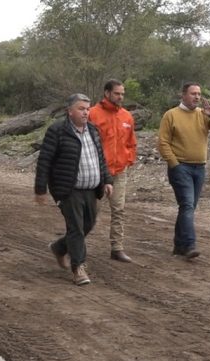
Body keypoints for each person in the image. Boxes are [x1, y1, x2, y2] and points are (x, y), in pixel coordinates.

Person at [35, 93, 114, 286]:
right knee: (76, 228)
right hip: (68, 189)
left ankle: (59, 247)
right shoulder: (57, 131)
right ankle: (78, 268)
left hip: (91, 189)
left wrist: (107, 180)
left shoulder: (93, 131)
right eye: (81, 108)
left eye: (87, 109)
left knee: (88, 224)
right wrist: (40, 189)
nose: (86, 112)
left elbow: (100, 159)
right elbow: (44, 161)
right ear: (69, 111)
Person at [158, 82, 210, 259]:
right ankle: (189, 244)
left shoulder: (202, 114)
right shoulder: (171, 115)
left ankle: (179, 246)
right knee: (187, 205)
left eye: (199, 94)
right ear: (183, 95)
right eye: (193, 93)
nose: (197, 97)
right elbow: (163, 142)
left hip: (200, 168)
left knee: (188, 207)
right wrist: (174, 164)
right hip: (181, 168)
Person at [89, 79, 137, 263]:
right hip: (98, 173)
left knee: (119, 210)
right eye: (117, 93)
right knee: (91, 212)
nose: (120, 97)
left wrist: (128, 159)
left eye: (122, 94)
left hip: (119, 171)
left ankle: (117, 248)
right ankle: (75, 246)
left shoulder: (126, 116)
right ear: (107, 93)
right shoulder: (93, 113)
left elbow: (131, 141)